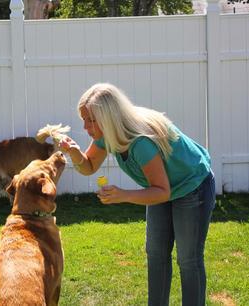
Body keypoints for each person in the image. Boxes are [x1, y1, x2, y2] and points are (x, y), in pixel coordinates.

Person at [59, 83, 215, 306]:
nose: (85, 127)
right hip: (162, 188)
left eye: (90, 120)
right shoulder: (107, 133)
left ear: (108, 118)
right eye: (83, 119)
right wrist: (75, 153)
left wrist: (123, 195)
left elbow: (162, 192)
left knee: (188, 259)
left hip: (193, 184)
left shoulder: (140, 142)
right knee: (156, 253)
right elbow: (89, 165)